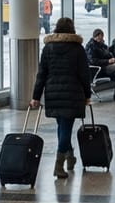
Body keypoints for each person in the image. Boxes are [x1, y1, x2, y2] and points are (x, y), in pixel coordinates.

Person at [29, 17, 91, 179]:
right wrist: (87, 94)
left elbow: (42, 73)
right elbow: (85, 74)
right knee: (65, 129)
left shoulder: (48, 48)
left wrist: (36, 96)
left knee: (62, 127)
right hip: (72, 93)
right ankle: (58, 165)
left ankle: (70, 157)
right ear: (72, 29)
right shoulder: (77, 49)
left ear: (56, 28)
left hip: (53, 93)